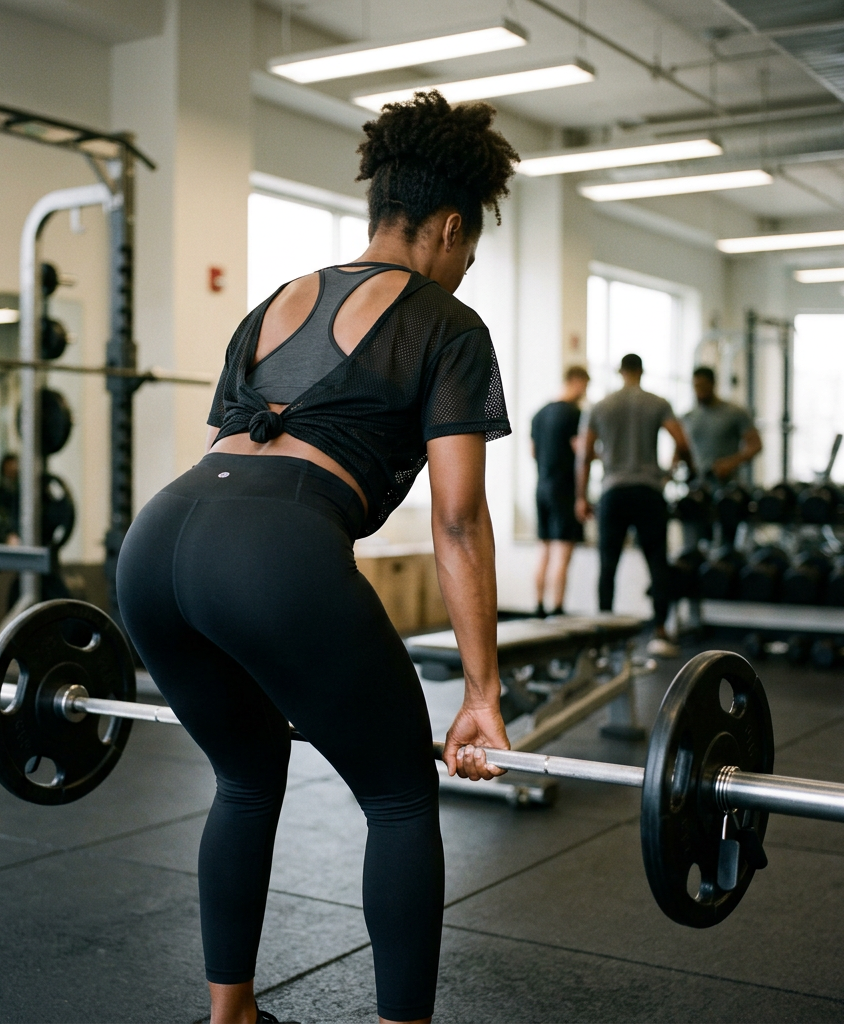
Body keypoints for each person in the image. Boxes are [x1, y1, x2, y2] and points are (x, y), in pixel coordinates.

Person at [117, 91, 517, 1024]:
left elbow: (238, 449)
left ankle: (232, 1016)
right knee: (401, 797)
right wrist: (482, 695)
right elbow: (460, 522)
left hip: (157, 546)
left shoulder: (273, 303)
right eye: (472, 246)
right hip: (275, 551)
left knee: (247, 772)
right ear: (450, 227)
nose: (465, 266)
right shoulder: (446, 324)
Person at [576, 353, 694, 659]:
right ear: (641, 371)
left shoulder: (600, 406)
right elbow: (681, 442)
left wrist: (580, 496)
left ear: (620, 371)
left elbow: (584, 455)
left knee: (608, 564)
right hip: (648, 492)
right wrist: (675, 472)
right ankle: (660, 633)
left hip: (614, 492)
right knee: (657, 562)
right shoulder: (658, 402)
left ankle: (604, 634)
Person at [531, 365, 590, 616]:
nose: (585, 392)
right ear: (576, 382)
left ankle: (539, 606)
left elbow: (533, 452)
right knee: (562, 552)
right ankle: (557, 607)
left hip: (542, 487)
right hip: (564, 489)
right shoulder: (574, 414)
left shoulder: (539, 414)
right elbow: (581, 453)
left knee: (544, 548)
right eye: (585, 386)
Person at [682, 366, 762, 483]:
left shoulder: (735, 413)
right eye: (697, 386)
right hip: (698, 483)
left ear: (713, 384)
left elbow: (755, 445)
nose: (700, 390)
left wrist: (731, 463)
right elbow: (682, 447)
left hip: (727, 483)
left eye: (703, 385)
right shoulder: (688, 417)